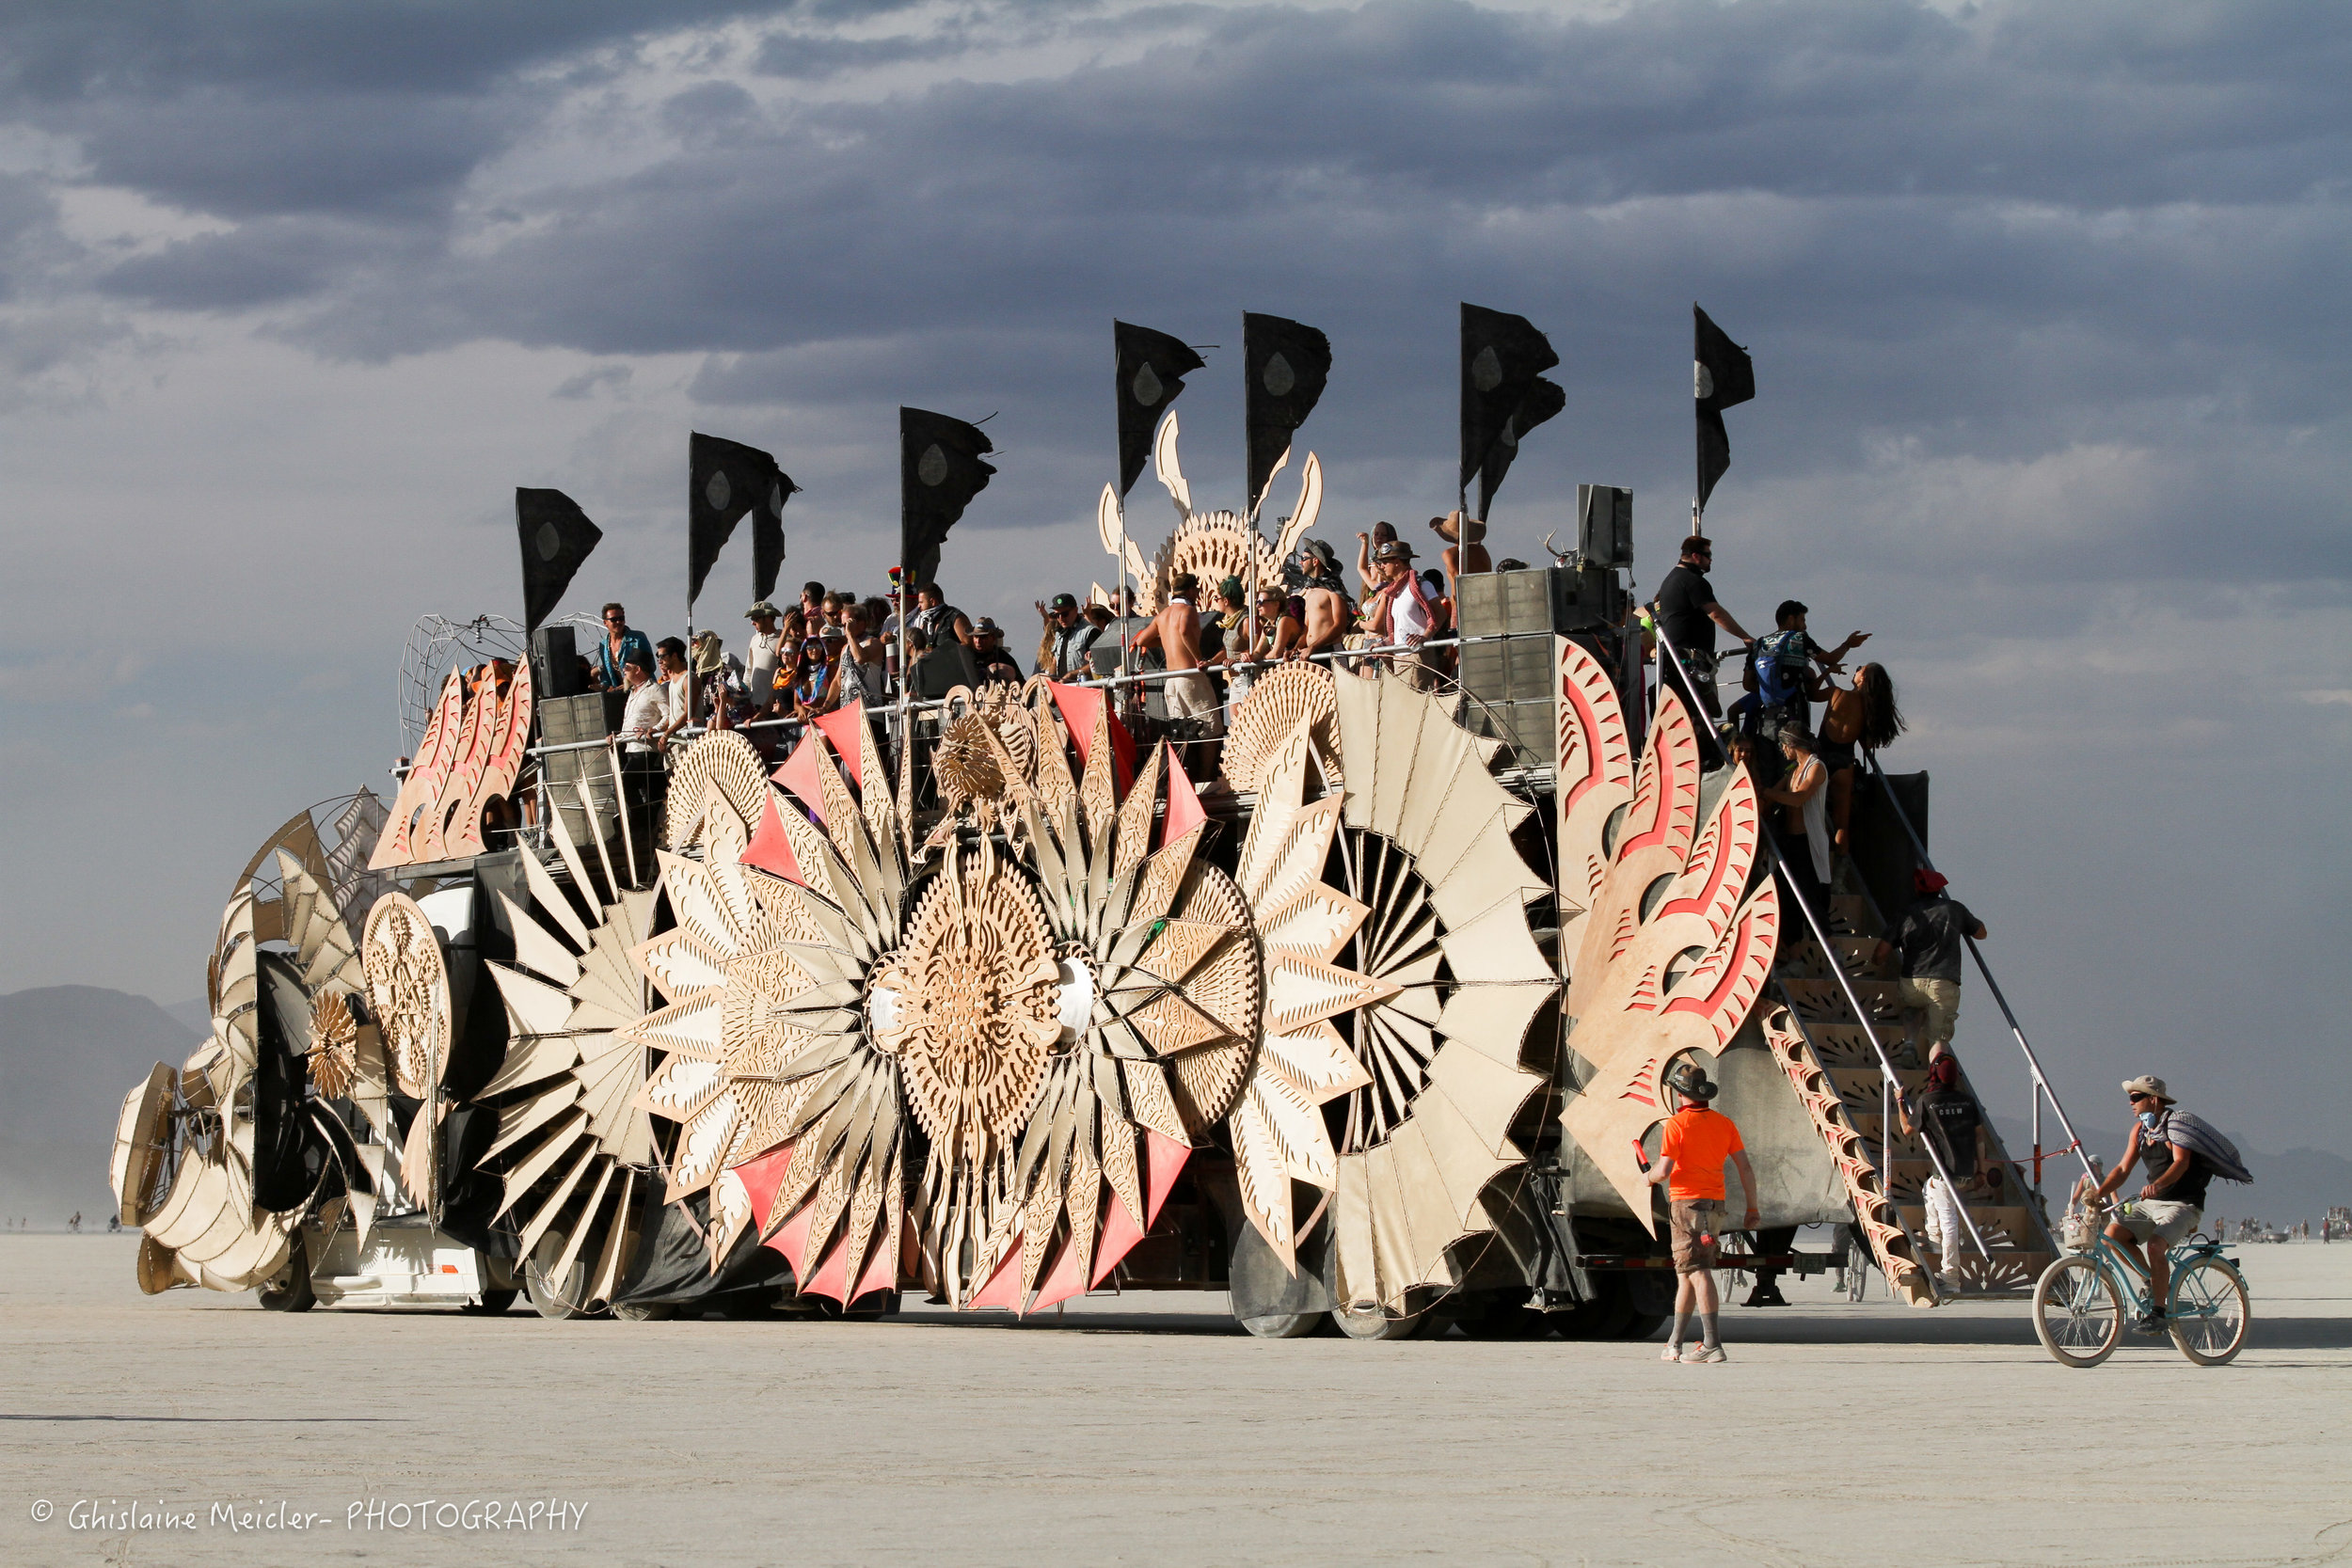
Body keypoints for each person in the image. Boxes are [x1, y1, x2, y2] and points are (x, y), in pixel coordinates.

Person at [2085, 1077, 2249, 1333]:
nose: (2131, 1102)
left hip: (2183, 1205)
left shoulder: (2176, 1126)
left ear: (2154, 1099)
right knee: (2111, 1236)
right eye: (2130, 1097)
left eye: (2136, 1097)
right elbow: (2123, 1168)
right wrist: (2097, 1193)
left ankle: (2159, 1312)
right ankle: (2152, 1281)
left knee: (2155, 1245)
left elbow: (2180, 1163)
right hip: (2152, 1204)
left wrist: (2157, 1185)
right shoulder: (2140, 1131)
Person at [1643, 1062, 1759, 1364]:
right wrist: (1752, 1207)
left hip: (1685, 1205)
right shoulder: (1724, 1124)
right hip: (1715, 1205)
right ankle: (1675, 1343)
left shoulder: (1676, 1125)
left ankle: (1712, 1342)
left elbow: (1664, 1170)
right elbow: (1745, 1168)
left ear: (1680, 1094)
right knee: (1686, 1274)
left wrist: (1648, 1177)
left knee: (1697, 1271)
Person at [1898, 1048, 1994, 1290]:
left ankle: (1950, 1274)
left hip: (1945, 1174)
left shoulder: (1927, 1102)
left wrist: (1900, 1101)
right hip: (1966, 1172)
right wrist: (1982, 1172)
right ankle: (1935, 1238)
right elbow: (1980, 1139)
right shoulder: (1968, 1101)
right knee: (1928, 1191)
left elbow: (1907, 1130)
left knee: (1948, 1218)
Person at [1872, 869, 1986, 1057]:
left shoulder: (1906, 914)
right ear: (1940, 889)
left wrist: (1876, 963)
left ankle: (1909, 1042)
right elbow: (1981, 934)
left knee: (1912, 1008)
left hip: (1912, 982)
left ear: (1917, 891)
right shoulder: (1955, 909)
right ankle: (1937, 1079)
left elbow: (1880, 954)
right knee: (1938, 1038)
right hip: (1944, 983)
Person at [1651, 536, 1753, 735]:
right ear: (1696, 556)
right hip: (1691, 658)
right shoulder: (1693, 581)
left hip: (1673, 658)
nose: (1710, 560)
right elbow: (1716, 613)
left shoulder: (1670, 580)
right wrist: (1745, 637)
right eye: (1708, 556)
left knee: (1684, 712)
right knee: (1699, 712)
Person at [1819, 661, 1904, 851]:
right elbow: (1868, 744)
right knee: (1842, 824)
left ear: (1863, 678)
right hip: (1844, 762)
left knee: (1809, 813)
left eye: (1860, 669)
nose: (1856, 671)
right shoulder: (1869, 709)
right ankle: (1840, 872)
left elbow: (1810, 693)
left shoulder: (1836, 693)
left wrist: (1827, 673)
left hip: (1821, 758)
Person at [1133, 573, 1222, 755]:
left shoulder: (1163, 615)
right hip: (1190, 678)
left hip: (1171, 681)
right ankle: (1204, 779)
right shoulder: (1188, 611)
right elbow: (1184, 632)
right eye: (1196, 589)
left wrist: (1166, 640)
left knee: (1182, 733)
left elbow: (1142, 640)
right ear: (1190, 591)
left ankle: (1185, 776)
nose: (1197, 593)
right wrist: (1199, 658)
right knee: (1210, 731)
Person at [1757, 725, 1831, 912]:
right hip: (1789, 841)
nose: (1782, 750)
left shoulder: (1816, 767)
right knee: (1787, 902)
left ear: (1791, 744)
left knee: (1812, 900)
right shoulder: (1793, 770)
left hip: (1807, 842)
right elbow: (1775, 792)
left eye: (1783, 745)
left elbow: (1798, 799)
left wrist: (1766, 791)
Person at [1295, 540, 1351, 662]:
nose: (1300, 562)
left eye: (1303, 558)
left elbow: (1340, 625)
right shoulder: (1310, 591)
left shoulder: (1333, 589)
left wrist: (1313, 647)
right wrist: (1296, 648)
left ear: (1315, 561)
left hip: (1330, 652)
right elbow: (1306, 628)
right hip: (1311, 653)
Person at [591, 603, 656, 690]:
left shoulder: (638, 638)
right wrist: (602, 685)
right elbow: (607, 673)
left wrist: (631, 682)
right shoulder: (603, 645)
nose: (618, 622)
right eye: (614, 619)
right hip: (620, 695)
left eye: (621, 618)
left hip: (642, 690)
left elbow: (650, 666)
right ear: (605, 622)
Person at [1036, 593, 1098, 678]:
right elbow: (1055, 660)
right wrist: (1052, 677)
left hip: (1084, 687)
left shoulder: (1090, 632)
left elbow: (1098, 663)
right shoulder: (1059, 633)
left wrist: (1071, 675)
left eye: (1065, 614)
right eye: (1057, 615)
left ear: (1076, 610)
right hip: (1063, 688)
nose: (1061, 618)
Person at [743, 601, 788, 715]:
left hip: (774, 705)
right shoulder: (754, 639)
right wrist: (744, 694)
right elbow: (749, 670)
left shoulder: (784, 638)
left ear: (768, 618)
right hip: (754, 705)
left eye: (756, 618)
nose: (753, 623)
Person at [1429, 512, 1490, 587]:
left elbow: (1459, 583)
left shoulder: (1448, 554)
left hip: (1460, 597)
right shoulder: (1482, 552)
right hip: (1483, 595)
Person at [618, 653, 663, 752]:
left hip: (647, 749)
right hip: (631, 748)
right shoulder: (633, 692)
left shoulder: (654, 689)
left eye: (627, 667)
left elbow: (668, 715)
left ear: (637, 670)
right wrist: (617, 736)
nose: (624, 670)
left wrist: (654, 730)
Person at [652, 637, 692, 744]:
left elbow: (688, 714)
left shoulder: (688, 679)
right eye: (657, 656)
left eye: (662, 656)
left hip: (686, 740)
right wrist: (658, 730)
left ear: (674, 655)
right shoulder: (673, 681)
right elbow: (675, 715)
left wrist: (667, 733)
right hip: (673, 740)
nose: (659, 660)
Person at [969, 618, 1024, 686]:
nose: (978, 641)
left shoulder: (1004, 657)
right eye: (976, 636)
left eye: (983, 637)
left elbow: (1021, 683)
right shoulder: (967, 656)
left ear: (993, 638)